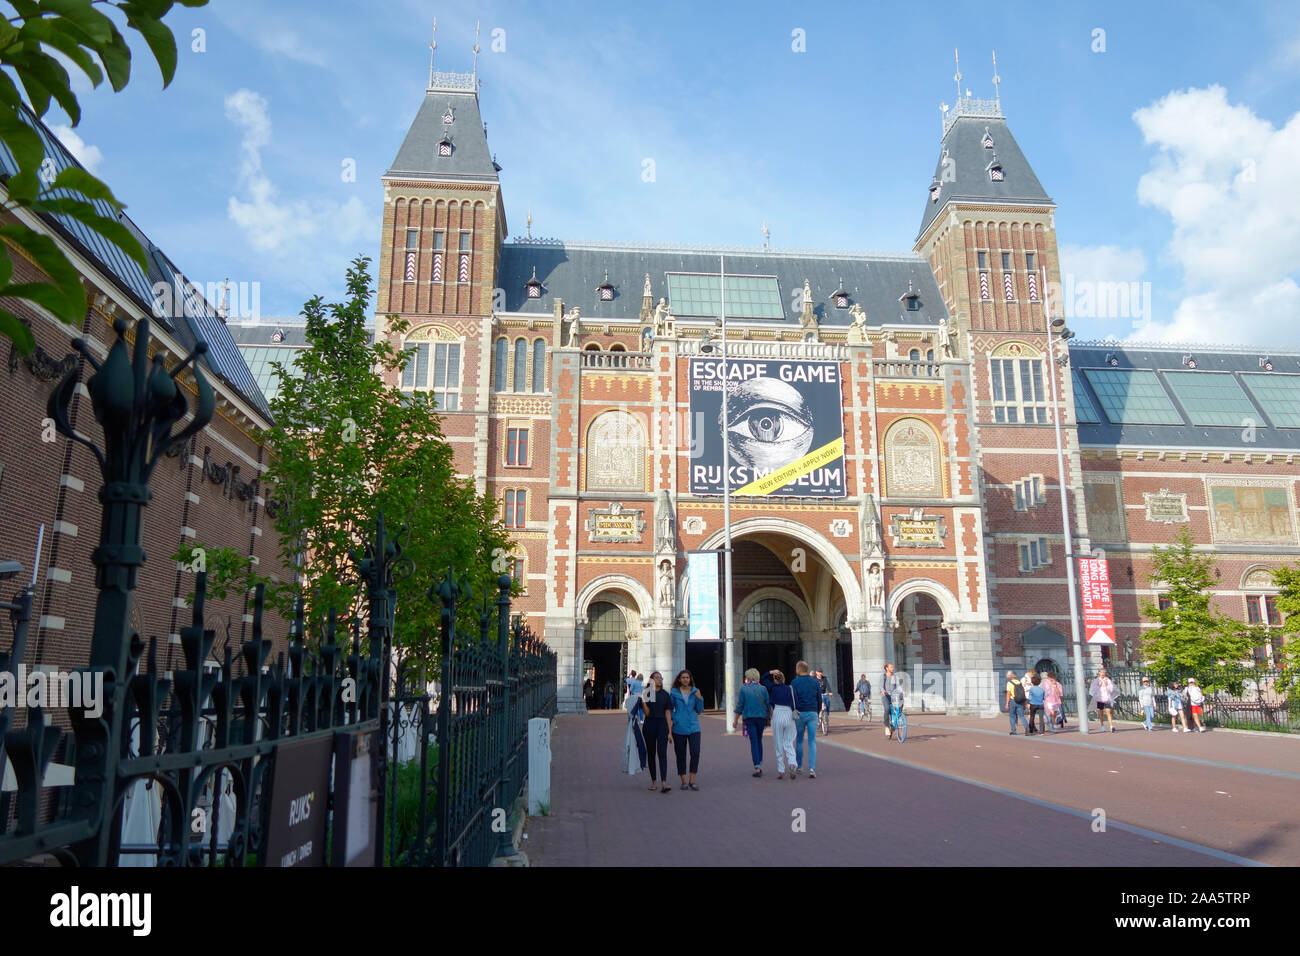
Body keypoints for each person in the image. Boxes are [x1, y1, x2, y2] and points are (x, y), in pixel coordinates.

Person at [670, 669, 705, 790]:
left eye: (687, 677)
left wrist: (700, 699)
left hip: (694, 727)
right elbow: (670, 710)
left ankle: (692, 780)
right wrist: (676, 718)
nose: (685, 679)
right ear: (679, 679)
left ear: (690, 679)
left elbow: (700, 710)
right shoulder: (674, 692)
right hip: (679, 728)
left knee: (695, 753)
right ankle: (683, 781)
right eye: (683, 677)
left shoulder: (695, 691)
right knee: (681, 754)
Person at [733, 668, 771, 776]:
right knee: (759, 740)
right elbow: (768, 705)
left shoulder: (744, 689)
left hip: (749, 718)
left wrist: (735, 720)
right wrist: (769, 718)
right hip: (761, 718)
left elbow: (740, 705)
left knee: (753, 741)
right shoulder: (763, 689)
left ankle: (757, 766)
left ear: (748, 678)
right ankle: (760, 761)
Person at [640, 672, 673, 792]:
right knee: (651, 753)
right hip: (649, 725)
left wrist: (670, 732)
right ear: (652, 680)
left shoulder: (665, 694)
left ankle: (664, 782)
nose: (660, 680)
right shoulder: (648, 693)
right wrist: (643, 701)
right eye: (657, 678)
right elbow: (647, 713)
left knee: (662, 753)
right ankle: (654, 782)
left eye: (661, 678)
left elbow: (668, 713)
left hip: (662, 725)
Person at [790, 661, 821, 777]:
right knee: (812, 741)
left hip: (800, 713)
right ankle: (812, 768)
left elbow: (792, 698)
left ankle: (799, 766)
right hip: (812, 712)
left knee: (799, 740)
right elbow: (819, 698)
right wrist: (816, 711)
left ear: (798, 669)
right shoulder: (815, 682)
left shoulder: (794, 682)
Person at [766, 670, 797, 779]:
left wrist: (770, 672)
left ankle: (781, 770)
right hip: (788, 713)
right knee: (788, 741)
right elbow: (795, 702)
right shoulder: (790, 688)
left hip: (777, 713)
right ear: (783, 678)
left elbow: (763, 679)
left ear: (775, 680)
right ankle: (792, 763)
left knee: (778, 742)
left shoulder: (773, 688)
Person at [623, 685, 647, 774]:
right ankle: (641, 719)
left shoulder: (631, 682)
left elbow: (630, 690)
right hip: (637, 701)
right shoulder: (642, 685)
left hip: (635, 700)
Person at [882, 662, 905, 739]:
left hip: (894, 696)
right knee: (887, 709)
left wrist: (901, 691)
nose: (893, 668)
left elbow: (898, 686)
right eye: (891, 667)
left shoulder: (895, 677)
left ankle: (898, 718)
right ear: (887, 668)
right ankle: (887, 727)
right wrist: (883, 691)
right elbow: (881, 686)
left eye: (893, 667)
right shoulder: (883, 676)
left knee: (900, 704)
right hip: (886, 696)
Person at [1089, 668, 1117, 733]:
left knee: (1108, 712)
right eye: (1101, 672)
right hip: (1100, 698)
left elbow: (1111, 689)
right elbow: (1093, 690)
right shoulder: (1096, 680)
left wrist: (1107, 685)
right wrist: (1098, 685)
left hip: (1107, 698)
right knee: (1101, 713)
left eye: (1104, 673)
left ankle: (1111, 726)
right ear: (1099, 673)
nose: (1102, 674)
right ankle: (1102, 726)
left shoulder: (1108, 680)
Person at [1005, 670, 1029, 735]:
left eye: (1008, 674)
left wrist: (1007, 703)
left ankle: (1014, 731)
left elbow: (1008, 694)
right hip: (1020, 701)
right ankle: (1027, 728)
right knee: (1022, 716)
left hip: (1013, 701)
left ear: (1010, 676)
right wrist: (1024, 703)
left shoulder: (1009, 683)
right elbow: (1022, 693)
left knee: (1012, 716)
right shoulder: (1019, 682)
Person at [816, 668, 833, 734]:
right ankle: (817, 716)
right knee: (816, 704)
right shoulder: (814, 679)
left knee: (827, 701)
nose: (820, 673)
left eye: (821, 672)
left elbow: (827, 685)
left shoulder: (824, 678)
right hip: (817, 694)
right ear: (816, 672)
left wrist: (830, 691)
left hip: (823, 693)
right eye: (819, 672)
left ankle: (826, 714)